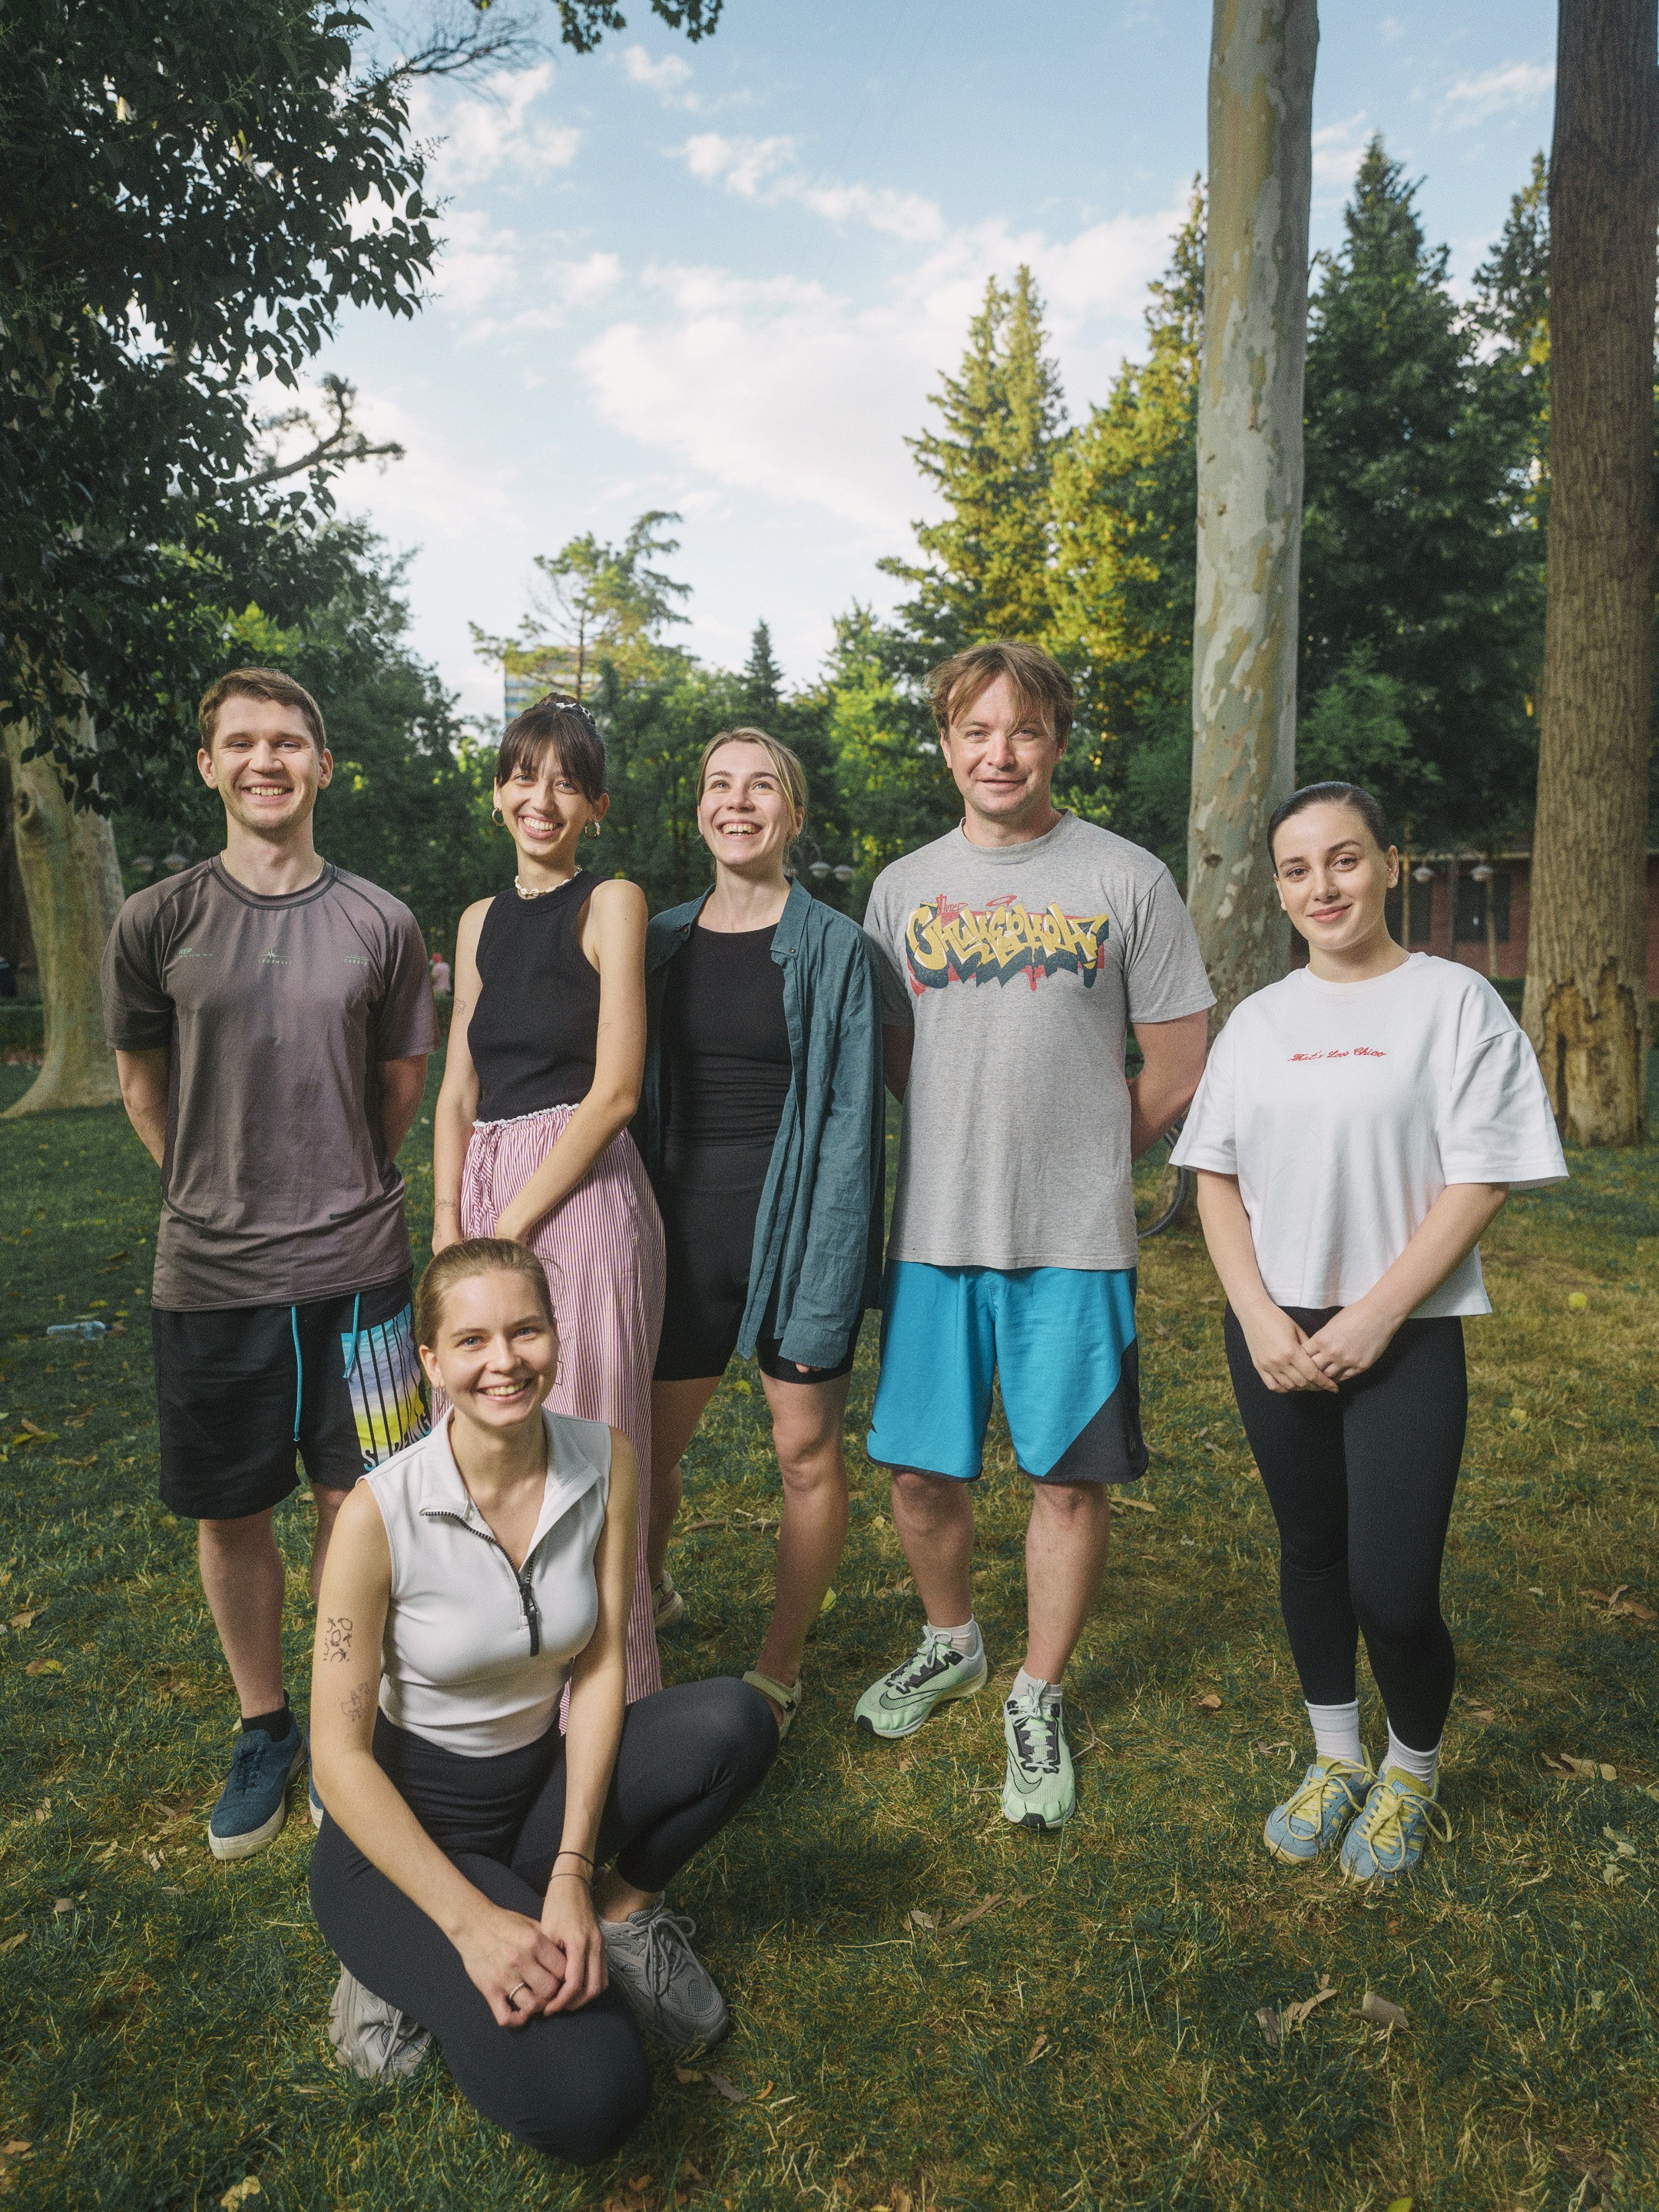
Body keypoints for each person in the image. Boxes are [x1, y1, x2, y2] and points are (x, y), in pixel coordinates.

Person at [1171, 783, 1567, 1882]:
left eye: (1344, 860)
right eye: (1297, 870)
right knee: (1311, 1552)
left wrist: (1376, 1316)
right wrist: (1258, 1317)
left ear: (1390, 864)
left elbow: (1482, 1177)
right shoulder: (1259, 1022)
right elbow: (1214, 1179)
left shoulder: (1454, 1004)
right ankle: (1335, 1758)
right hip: (1276, 1339)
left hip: (1405, 1331)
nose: (1322, 887)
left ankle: (1409, 1769)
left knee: (1392, 1590)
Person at [310, 1239, 777, 2163]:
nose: (505, 1360)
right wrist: (471, 1924)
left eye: (526, 1330)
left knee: (736, 1722)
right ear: (433, 1363)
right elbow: (338, 1756)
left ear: (556, 1337)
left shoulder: (605, 1459)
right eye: (473, 1340)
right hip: (400, 1836)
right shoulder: (379, 1515)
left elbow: (601, 1665)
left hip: (534, 1798)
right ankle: (389, 1968)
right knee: (593, 2101)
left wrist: (570, 1874)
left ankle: (618, 1911)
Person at [856, 642, 1213, 1830]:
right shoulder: (902, 890)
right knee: (918, 1470)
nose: (998, 753)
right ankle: (951, 1640)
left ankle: (1037, 1689)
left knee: (1066, 1479)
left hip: (1074, 1240)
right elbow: (898, 1059)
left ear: (1058, 742)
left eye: (1023, 731)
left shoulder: (1127, 878)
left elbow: (1177, 1066)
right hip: (936, 1232)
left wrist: (1077, 1155)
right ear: (946, 745)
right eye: (975, 731)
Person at [101, 667, 435, 1860]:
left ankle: (368, 1726)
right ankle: (266, 1728)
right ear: (209, 767)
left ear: (323, 766)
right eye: (240, 744)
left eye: (288, 743)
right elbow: (144, 1081)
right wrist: (207, 1187)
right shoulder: (158, 918)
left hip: (361, 1270)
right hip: (210, 1278)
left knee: (369, 1503)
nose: (265, 762)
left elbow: (398, 1085)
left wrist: (332, 1180)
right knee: (233, 1510)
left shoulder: (381, 923)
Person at [635, 729, 886, 1734]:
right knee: (643, 1454)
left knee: (804, 1452)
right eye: (718, 785)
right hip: (673, 1230)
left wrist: (828, 1267)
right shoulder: (654, 941)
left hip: (795, 1228)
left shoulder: (836, 947)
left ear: (794, 811)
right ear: (698, 807)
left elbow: (853, 1120)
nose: (737, 802)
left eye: (762, 786)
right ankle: (643, 1604)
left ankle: (778, 1667)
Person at [432, 694, 664, 1702]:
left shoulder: (610, 902)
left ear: (595, 807)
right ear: (495, 794)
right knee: (486, 1441)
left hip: (577, 1189)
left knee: (586, 1443)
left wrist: (514, 1226)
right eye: (525, 775)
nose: (543, 797)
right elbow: (455, 1088)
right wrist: (452, 1227)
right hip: (483, 1186)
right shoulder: (479, 921)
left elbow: (616, 1089)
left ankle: (609, 1705)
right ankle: (505, 1685)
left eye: (567, 781)